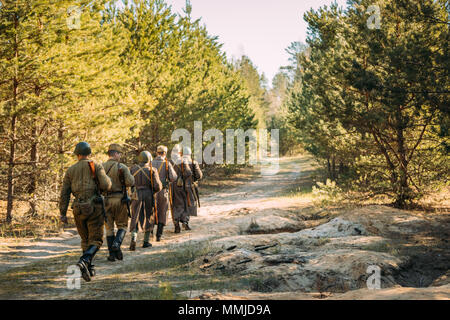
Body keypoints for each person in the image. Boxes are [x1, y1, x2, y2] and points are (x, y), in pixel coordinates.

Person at [59, 142, 112, 282]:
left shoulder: (70, 170)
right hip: (94, 207)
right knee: (97, 239)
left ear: (77, 154)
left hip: (78, 208)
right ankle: (84, 260)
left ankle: (88, 268)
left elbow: (64, 193)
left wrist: (62, 213)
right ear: (89, 153)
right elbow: (106, 185)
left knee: (85, 239)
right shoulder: (96, 165)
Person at [103, 144, 134, 262]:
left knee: (109, 228)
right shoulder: (122, 167)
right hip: (120, 200)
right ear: (115, 154)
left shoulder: (101, 167)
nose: (120, 156)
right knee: (122, 225)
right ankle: (117, 244)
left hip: (105, 201)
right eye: (119, 154)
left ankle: (112, 254)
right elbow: (130, 182)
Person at [129, 151, 162, 250]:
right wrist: (153, 191)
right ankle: (146, 241)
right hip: (148, 195)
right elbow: (157, 186)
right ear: (149, 159)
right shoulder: (152, 170)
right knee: (149, 216)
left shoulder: (133, 169)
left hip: (136, 195)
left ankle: (134, 238)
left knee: (135, 216)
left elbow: (130, 183)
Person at [171, 146, 202, 233]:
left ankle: (176, 223)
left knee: (177, 205)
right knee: (187, 204)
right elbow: (199, 175)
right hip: (188, 187)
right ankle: (185, 222)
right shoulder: (193, 161)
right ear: (190, 153)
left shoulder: (175, 162)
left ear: (181, 153)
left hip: (176, 187)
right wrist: (193, 180)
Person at [151, 145, 177, 241]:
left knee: (152, 212)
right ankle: (159, 235)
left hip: (152, 192)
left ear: (157, 152)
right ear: (165, 153)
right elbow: (173, 177)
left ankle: (150, 233)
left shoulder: (151, 163)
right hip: (162, 191)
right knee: (163, 211)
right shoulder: (166, 163)